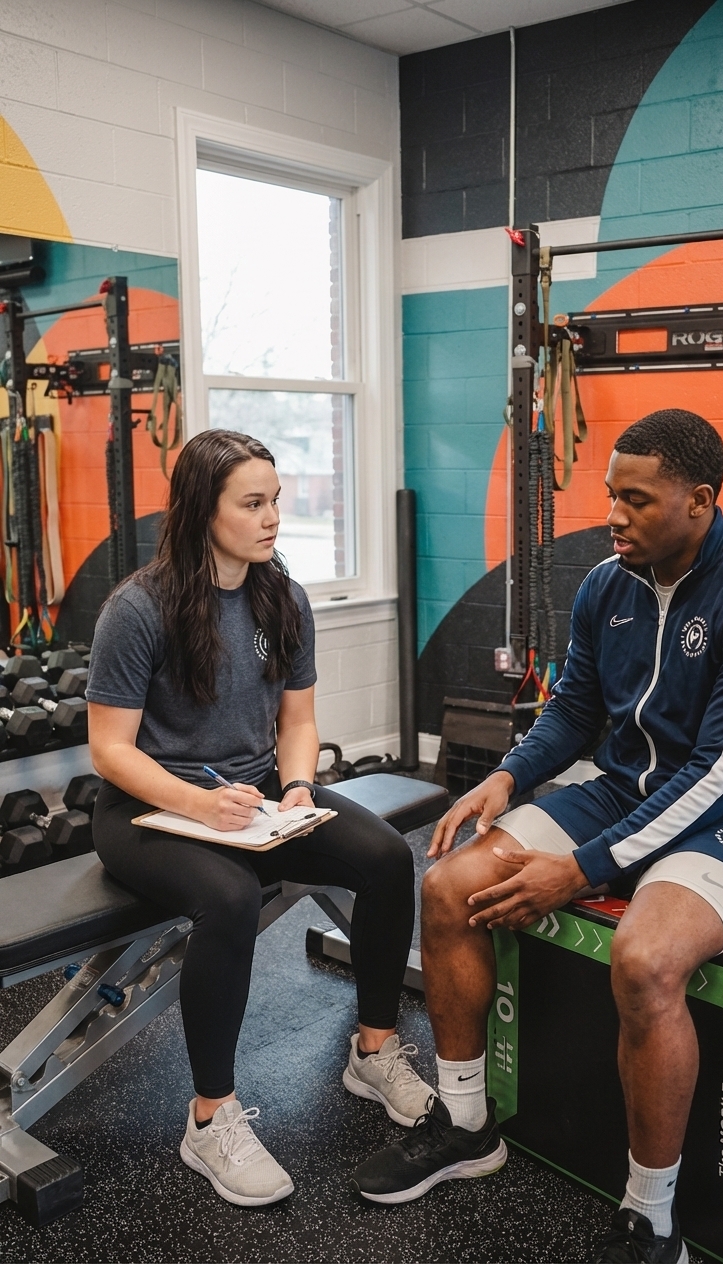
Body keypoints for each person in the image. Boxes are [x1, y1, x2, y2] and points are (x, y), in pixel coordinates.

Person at [351, 410, 723, 1263]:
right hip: (621, 790)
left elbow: (720, 774)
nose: (614, 514)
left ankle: (651, 1219)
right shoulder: (608, 583)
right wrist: (506, 777)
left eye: (636, 499)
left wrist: (583, 870)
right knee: (448, 884)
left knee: (645, 959)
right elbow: (573, 710)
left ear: (699, 501)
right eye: (611, 495)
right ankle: (463, 1120)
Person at [87, 429, 432, 1208]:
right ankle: (210, 1117)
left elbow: (299, 721)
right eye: (253, 503)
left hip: (254, 796)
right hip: (147, 812)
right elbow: (109, 751)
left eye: (276, 499)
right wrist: (201, 804)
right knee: (231, 898)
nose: (273, 516)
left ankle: (373, 1050)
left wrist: (302, 787)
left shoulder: (282, 595)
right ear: (200, 510)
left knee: (383, 856)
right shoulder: (137, 609)